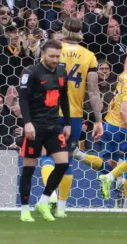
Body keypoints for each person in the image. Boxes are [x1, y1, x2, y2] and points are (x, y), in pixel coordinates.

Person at [39, 18, 103, 218]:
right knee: (66, 160)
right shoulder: (89, 56)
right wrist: (98, 119)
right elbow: (93, 90)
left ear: (64, 30)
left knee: (48, 155)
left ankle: (50, 196)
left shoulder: (53, 50)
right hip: (75, 115)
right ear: (81, 32)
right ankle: (62, 208)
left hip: (50, 110)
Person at [74, 45, 127, 207]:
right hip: (121, 129)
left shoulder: (126, 75)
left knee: (110, 164)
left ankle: (80, 155)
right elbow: (124, 110)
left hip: (109, 125)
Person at [18, 39, 71, 222]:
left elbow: (64, 98)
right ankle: (25, 209)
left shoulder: (62, 71)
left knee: (63, 164)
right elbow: (23, 100)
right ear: (43, 54)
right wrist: (27, 123)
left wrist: (68, 123)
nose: (55, 60)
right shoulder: (31, 72)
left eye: (58, 56)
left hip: (54, 125)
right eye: (52, 56)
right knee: (29, 168)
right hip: (35, 125)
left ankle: (44, 201)